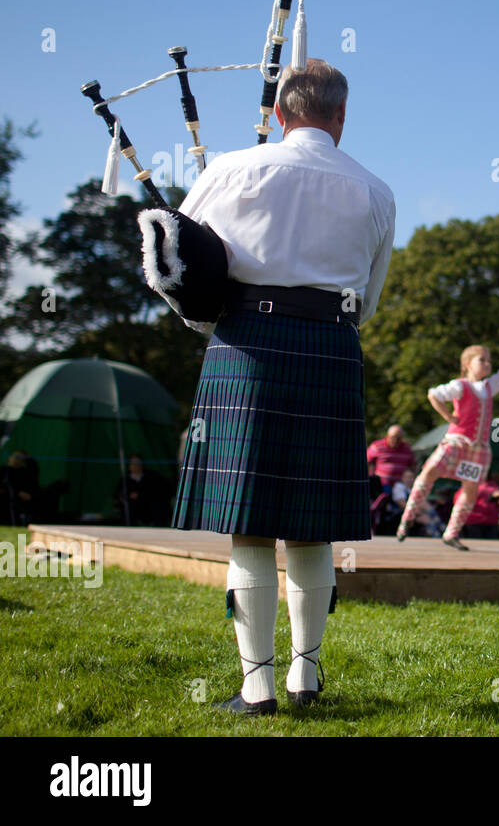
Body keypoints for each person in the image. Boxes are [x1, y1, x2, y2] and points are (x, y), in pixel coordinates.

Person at [171, 59, 396, 716]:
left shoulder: (229, 170)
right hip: (331, 346)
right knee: (311, 529)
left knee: (248, 530)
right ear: (340, 115)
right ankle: (307, 677)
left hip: (245, 345)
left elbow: (177, 264)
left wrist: (203, 321)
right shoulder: (378, 191)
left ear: (278, 112)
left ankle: (258, 687)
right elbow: (370, 300)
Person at [398, 332, 499, 548]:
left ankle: (451, 533)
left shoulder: (489, 387)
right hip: (457, 441)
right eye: (482, 359)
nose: (487, 364)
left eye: (489, 360)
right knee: (429, 473)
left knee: (470, 489)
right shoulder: (460, 385)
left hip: (478, 447)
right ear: (467, 364)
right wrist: (449, 416)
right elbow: (433, 395)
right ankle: (407, 518)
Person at [117, 454, 171, 526]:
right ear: (129, 466)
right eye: (133, 463)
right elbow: (119, 494)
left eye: (138, 463)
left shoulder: (152, 476)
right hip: (134, 506)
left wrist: (142, 494)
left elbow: (161, 489)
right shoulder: (125, 480)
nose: (136, 465)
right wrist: (129, 495)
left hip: (150, 505)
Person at [366, 425, 414, 497]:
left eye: (399, 438)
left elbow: (413, 466)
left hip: (401, 486)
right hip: (381, 486)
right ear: (387, 436)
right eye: (393, 437)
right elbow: (367, 462)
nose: (396, 440)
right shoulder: (377, 446)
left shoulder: (407, 448)